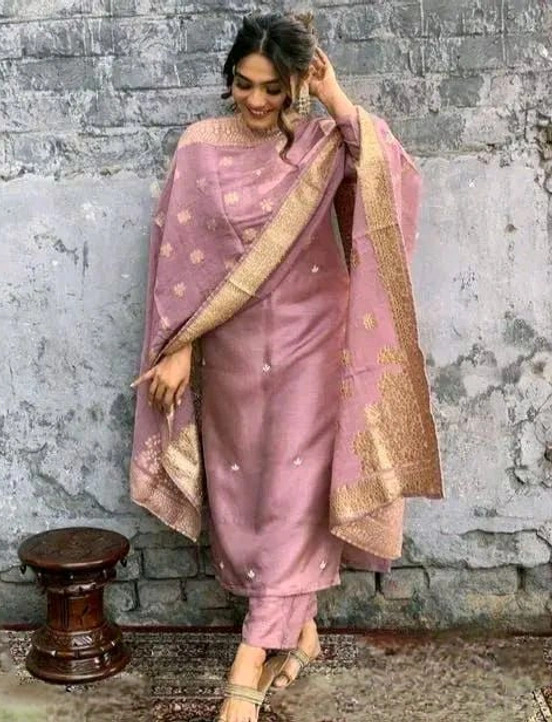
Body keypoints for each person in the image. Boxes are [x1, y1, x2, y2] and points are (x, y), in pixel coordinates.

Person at [130, 12, 443, 722]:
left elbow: (389, 177)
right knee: (243, 494)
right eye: (244, 84)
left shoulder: (319, 142)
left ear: (295, 84)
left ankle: (251, 654)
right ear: (229, 80)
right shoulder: (200, 147)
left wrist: (334, 97)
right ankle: (298, 629)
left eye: (273, 88)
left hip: (313, 339)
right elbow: (177, 263)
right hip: (232, 348)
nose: (257, 100)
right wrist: (179, 345)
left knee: (293, 495)